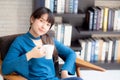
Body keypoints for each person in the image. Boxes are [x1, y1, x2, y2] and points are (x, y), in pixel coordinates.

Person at [2, 7, 83, 80]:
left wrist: (64, 71)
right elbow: (5, 68)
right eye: (41, 21)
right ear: (32, 19)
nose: (44, 26)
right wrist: (30, 54)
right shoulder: (20, 42)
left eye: (48, 25)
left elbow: (71, 53)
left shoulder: (49, 40)